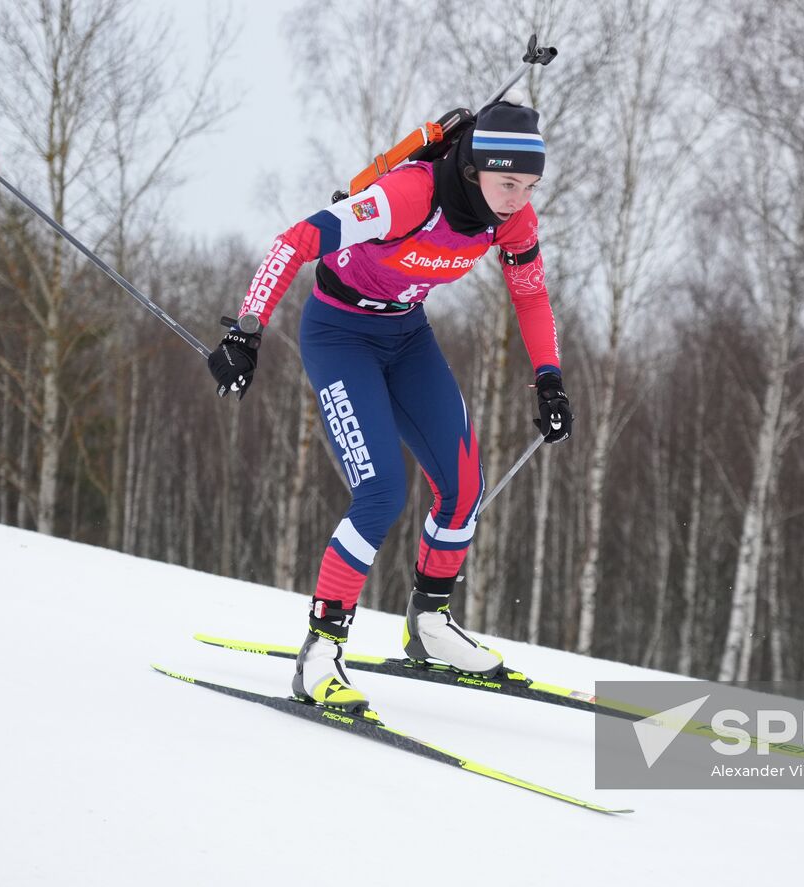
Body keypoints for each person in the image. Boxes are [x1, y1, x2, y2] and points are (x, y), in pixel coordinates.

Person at [207, 99, 572, 713]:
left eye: (529, 186)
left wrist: (550, 381)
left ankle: (429, 626)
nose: (517, 198)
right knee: (380, 491)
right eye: (508, 182)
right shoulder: (409, 195)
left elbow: (531, 296)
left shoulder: (510, 220)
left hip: (406, 336)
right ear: (475, 167)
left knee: (463, 486)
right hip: (338, 335)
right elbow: (294, 241)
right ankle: (320, 652)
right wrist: (246, 331)